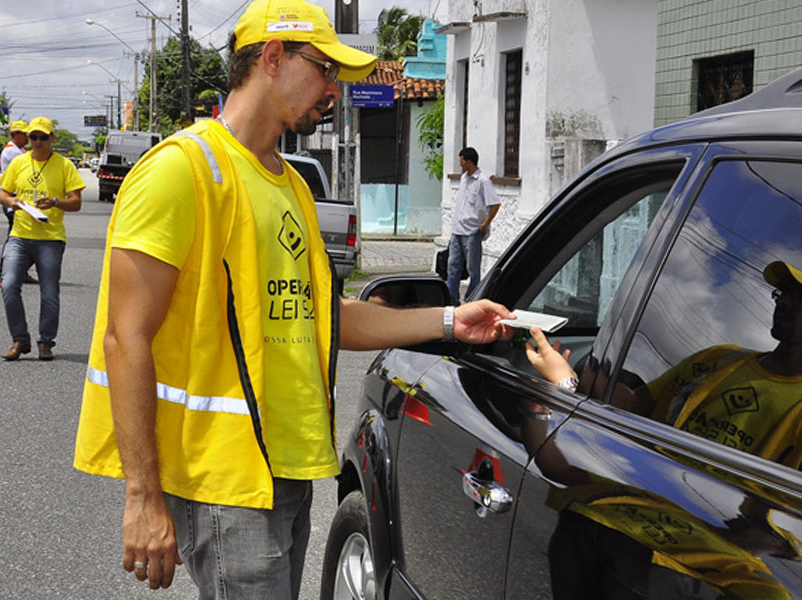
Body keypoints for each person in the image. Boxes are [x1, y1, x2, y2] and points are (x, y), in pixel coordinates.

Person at [72, 1, 514, 597]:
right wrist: (143, 498)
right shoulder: (181, 171)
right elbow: (125, 336)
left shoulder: (291, 186)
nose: (333, 92)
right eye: (324, 71)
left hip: (291, 465)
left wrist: (450, 320)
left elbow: (325, 318)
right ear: (273, 58)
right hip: (224, 476)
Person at [526, 261, 802, 477]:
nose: (782, 302)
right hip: (633, 511)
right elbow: (636, 407)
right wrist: (566, 374)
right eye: (781, 293)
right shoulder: (720, 360)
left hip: (706, 558)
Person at [0, 116, 84, 361]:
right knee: (9, 284)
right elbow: (3, 194)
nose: (37, 141)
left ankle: (46, 342)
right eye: (33, 137)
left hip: (51, 238)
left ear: (51, 138)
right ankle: (20, 340)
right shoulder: (19, 163)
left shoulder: (65, 165)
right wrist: (12, 201)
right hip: (20, 235)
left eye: (42, 137)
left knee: (49, 292)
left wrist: (55, 202)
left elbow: (76, 202)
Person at [445, 146, 501, 304]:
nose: (460, 164)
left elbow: (495, 204)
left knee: (473, 270)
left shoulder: (483, 181)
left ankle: (472, 299)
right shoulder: (464, 178)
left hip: (472, 232)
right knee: (453, 267)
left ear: (469, 162)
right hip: (457, 230)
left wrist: (485, 224)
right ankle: (452, 300)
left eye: (462, 161)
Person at [0, 120, 38, 281]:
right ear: (15, 135)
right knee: (17, 238)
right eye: (25, 134)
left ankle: (15, 270)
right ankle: (9, 270)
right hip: (15, 199)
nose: (28, 137)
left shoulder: (18, 150)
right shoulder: (12, 152)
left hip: (20, 199)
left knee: (18, 237)